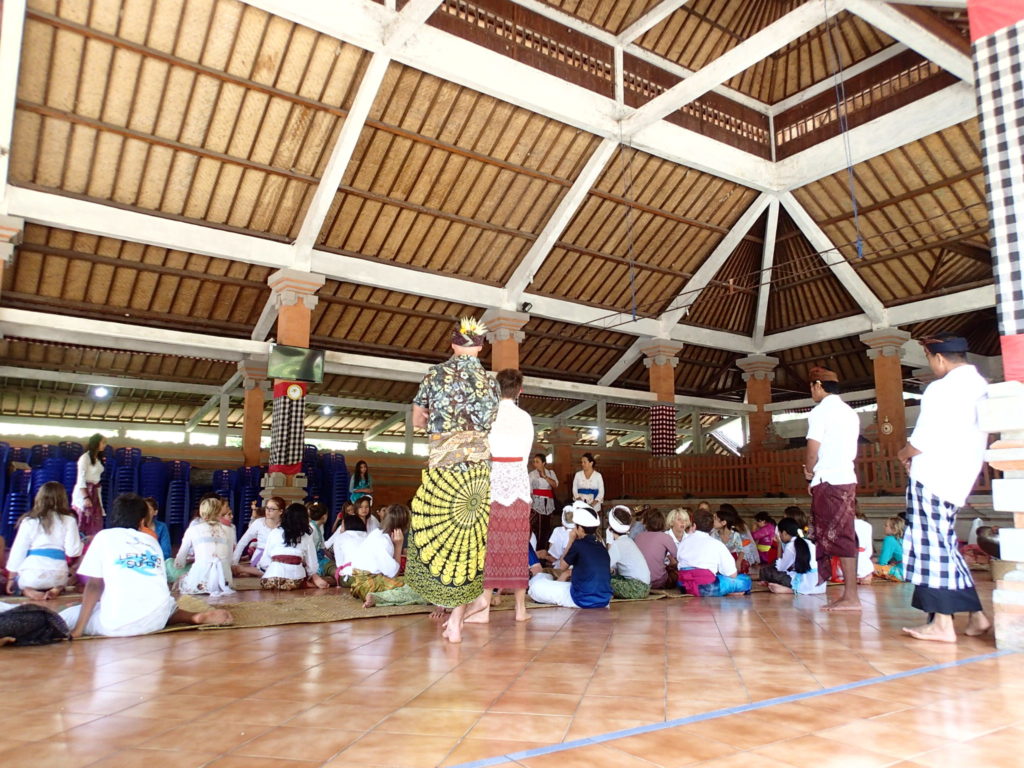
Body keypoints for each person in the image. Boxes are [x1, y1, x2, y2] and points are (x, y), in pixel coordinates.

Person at [408, 317, 500, 644]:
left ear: (452, 344)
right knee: (470, 540)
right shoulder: (492, 383)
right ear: (481, 347)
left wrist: (436, 421)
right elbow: (491, 424)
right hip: (477, 469)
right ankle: (457, 619)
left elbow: (418, 418)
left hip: (444, 463)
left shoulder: (435, 374)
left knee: (440, 534)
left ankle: (446, 608)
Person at [897, 333, 991, 642]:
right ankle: (976, 616)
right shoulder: (980, 386)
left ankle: (942, 624)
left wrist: (904, 453)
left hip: (933, 478)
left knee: (931, 549)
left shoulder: (942, 388)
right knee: (946, 544)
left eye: (928, 359)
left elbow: (923, 438)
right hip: (959, 477)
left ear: (938, 358)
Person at [58, 494, 232, 637]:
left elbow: (94, 586)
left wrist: (78, 630)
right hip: (158, 619)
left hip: (117, 626)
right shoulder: (150, 540)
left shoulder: (104, 536)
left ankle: (76, 620)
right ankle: (193, 617)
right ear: (142, 522)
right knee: (159, 602)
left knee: (68, 615)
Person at [466, 369, 534, 624]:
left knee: (490, 545)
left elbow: (480, 452)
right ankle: (520, 609)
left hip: (493, 483)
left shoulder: (488, 415)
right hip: (517, 481)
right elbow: (526, 455)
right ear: (520, 390)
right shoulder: (525, 417)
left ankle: (483, 608)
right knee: (518, 544)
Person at [804, 365, 861, 612]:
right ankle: (849, 595)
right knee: (845, 533)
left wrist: (809, 472)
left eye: (812, 387)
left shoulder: (820, 412)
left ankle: (851, 597)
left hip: (829, 480)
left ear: (818, 385)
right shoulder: (850, 412)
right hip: (846, 478)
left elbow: (813, 448)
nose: (812, 392)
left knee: (842, 536)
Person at [6, 481, 82, 600]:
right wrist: (82, 543)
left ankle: (29, 591)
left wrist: (11, 578)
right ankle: (56, 589)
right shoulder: (69, 520)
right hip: (59, 574)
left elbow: (18, 552)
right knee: (63, 581)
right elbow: (73, 552)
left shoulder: (29, 521)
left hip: (33, 574)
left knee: (22, 584)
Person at [528, 502, 611, 609]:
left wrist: (571, 540)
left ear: (580, 529)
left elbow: (562, 566)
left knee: (535, 587)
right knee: (547, 579)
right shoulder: (601, 546)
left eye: (575, 527)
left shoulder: (578, 544)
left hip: (581, 599)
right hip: (604, 599)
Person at [355, 506, 430, 608]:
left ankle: (380, 597)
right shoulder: (384, 541)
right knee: (421, 589)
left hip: (366, 582)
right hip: (370, 585)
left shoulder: (378, 533)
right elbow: (393, 574)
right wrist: (399, 545)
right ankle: (379, 598)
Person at [676, 509, 752, 597]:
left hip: (683, 586)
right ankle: (729, 591)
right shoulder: (717, 544)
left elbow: (679, 562)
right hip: (706, 587)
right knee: (745, 580)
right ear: (711, 527)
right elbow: (732, 574)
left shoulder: (684, 542)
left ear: (694, 525)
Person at [261, 503, 330, 591]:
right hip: (293, 581)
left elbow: (264, 562)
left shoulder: (274, 532)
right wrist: (313, 576)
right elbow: (312, 565)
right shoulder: (306, 536)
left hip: (269, 580)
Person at [174, 497, 236, 595]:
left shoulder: (193, 530)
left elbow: (180, 559)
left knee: (181, 579)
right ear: (220, 511)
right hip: (224, 579)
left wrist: (181, 564)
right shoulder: (230, 530)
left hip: (200, 578)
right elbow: (229, 558)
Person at [760, 517, 825, 595]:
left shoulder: (790, 546)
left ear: (784, 533)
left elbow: (781, 568)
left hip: (805, 582)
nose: (779, 536)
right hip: (820, 583)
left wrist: (779, 544)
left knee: (766, 571)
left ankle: (787, 590)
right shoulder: (808, 542)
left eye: (780, 533)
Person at [606, 505, 651, 599]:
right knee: (614, 577)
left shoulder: (617, 545)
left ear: (610, 528)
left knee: (603, 580)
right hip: (645, 587)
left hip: (637, 589)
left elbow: (603, 567)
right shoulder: (629, 541)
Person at [232, 497, 284, 576]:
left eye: (272, 509)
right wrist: (234, 562)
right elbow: (243, 542)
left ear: (280, 511)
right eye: (267, 508)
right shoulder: (259, 522)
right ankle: (248, 570)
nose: (268, 511)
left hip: (277, 556)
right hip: (260, 556)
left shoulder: (284, 525)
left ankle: (247, 570)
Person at [72, 433, 107, 538]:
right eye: (103, 442)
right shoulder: (85, 458)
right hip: (86, 491)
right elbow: (81, 478)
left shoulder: (98, 459)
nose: (104, 445)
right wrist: (86, 497)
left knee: (95, 519)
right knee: (84, 518)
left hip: (95, 491)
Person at [634, 508, 677, 589]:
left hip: (641, 581)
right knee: (676, 571)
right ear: (663, 522)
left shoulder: (638, 537)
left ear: (646, 523)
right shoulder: (665, 537)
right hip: (658, 582)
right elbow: (678, 556)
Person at [323, 515, 367, 584]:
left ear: (348, 526)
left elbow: (339, 564)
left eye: (342, 526)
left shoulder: (340, 537)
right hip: (370, 577)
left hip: (352, 579)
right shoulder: (368, 536)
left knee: (327, 565)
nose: (340, 529)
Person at [528, 453, 559, 546]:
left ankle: (544, 548)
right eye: (534, 462)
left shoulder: (550, 473)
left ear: (543, 463)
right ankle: (536, 548)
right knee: (537, 526)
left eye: (537, 462)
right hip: (536, 503)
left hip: (548, 503)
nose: (535, 464)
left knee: (547, 526)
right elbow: (529, 490)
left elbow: (555, 485)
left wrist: (545, 476)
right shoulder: (531, 474)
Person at [874, 516, 905, 581]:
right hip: (907, 573)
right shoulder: (901, 540)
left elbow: (882, 562)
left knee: (868, 567)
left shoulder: (889, 539)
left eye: (886, 526)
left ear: (894, 529)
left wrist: (875, 561)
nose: (884, 527)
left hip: (900, 573)